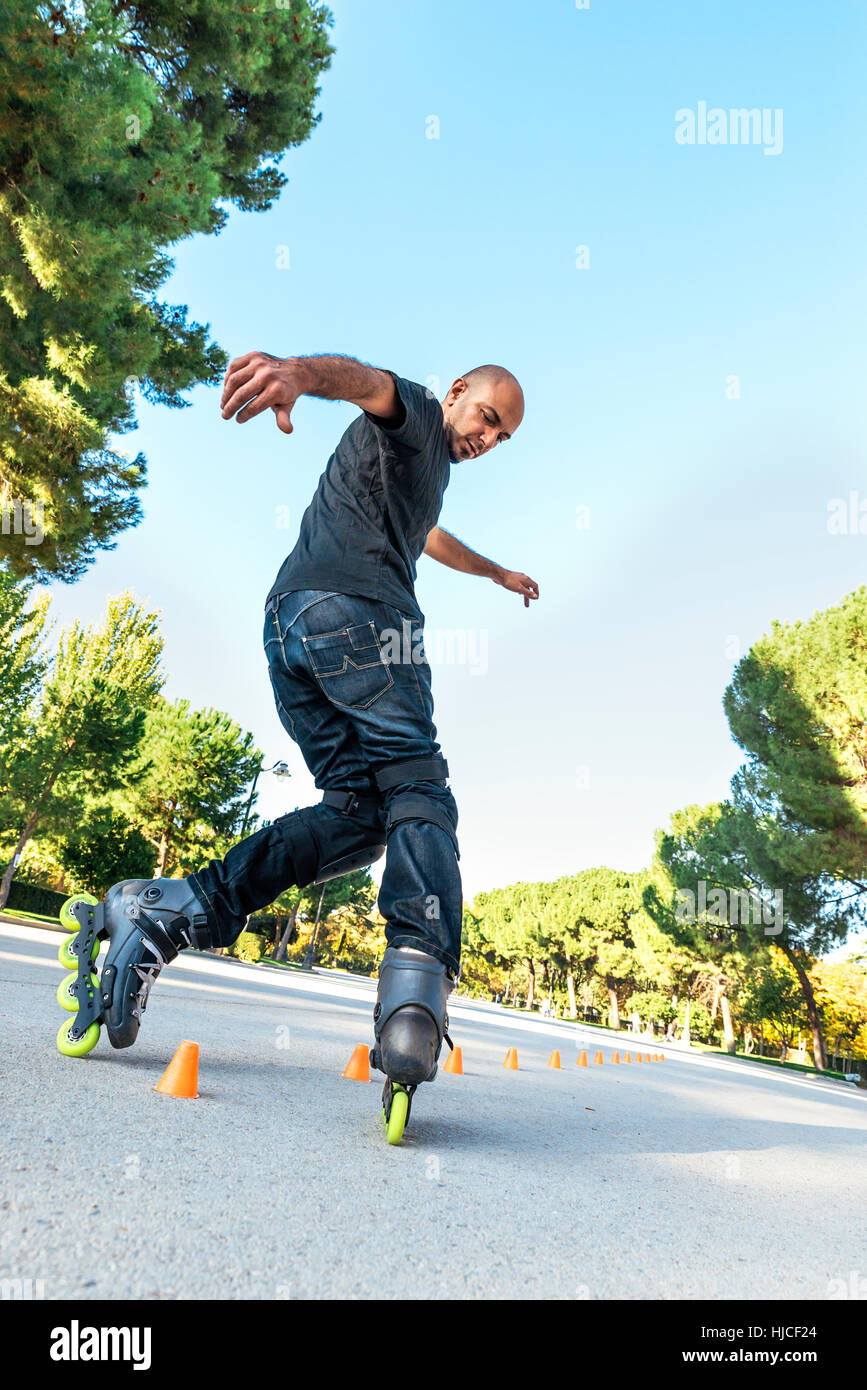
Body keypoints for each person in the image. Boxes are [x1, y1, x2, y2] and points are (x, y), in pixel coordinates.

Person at [62, 351, 536, 1124]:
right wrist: (298, 375)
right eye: (488, 417)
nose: (490, 437)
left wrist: (496, 574)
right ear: (457, 394)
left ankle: (169, 907)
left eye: (504, 437)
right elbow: (365, 384)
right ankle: (415, 984)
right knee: (416, 788)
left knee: (358, 813)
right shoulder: (415, 412)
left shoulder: (420, 472)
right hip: (365, 622)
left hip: (292, 626)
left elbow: (428, 539)